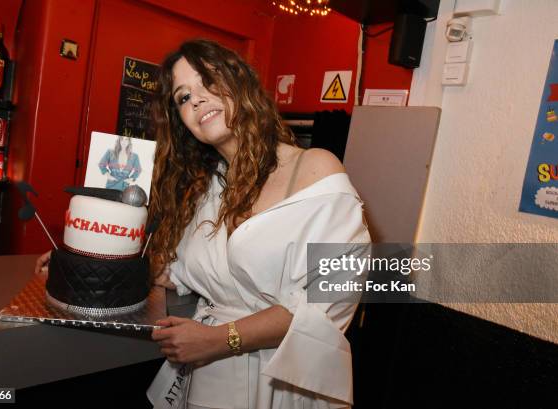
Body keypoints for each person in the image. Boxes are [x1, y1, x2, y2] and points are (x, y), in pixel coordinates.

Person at [35, 39, 370, 408]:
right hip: (212, 380)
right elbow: (175, 270)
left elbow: (327, 304)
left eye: (207, 81)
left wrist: (219, 339)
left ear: (239, 82)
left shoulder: (316, 169)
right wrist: (87, 263)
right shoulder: (209, 188)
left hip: (285, 382)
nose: (195, 99)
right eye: (182, 96)